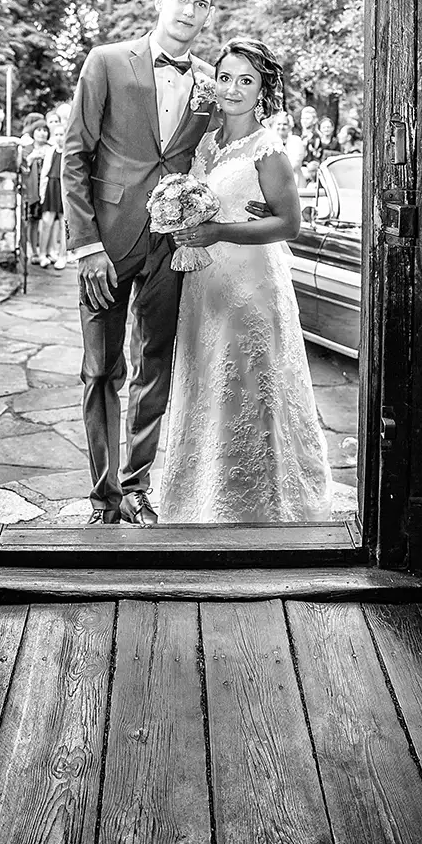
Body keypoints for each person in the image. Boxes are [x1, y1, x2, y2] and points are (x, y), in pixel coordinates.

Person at [63, 0, 217, 525]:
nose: (189, 11)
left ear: (208, 14)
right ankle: (102, 496)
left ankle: (135, 486)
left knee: (154, 364)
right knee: (100, 370)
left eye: (201, 4)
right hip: (106, 243)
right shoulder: (106, 61)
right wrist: (86, 247)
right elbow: (74, 156)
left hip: (172, 245)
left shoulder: (210, 81)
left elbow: (209, 153)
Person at [159, 38, 332, 524]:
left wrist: (219, 231)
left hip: (250, 284)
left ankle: (259, 502)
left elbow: (289, 224)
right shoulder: (205, 142)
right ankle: (203, 494)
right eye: (226, 77)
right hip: (205, 282)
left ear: (262, 91)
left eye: (246, 80)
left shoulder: (267, 148)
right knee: (208, 380)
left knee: (248, 383)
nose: (233, 88)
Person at [37, 116, 67, 269]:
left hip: (64, 188)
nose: (59, 137)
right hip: (51, 187)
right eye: (57, 135)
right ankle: (42, 254)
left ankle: (62, 256)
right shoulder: (51, 151)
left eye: (62, 134)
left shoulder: (69, 152)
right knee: (47, 221)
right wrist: (42, 194)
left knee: (64, 223)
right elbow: (44, 173)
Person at [21, 118, 50, 263]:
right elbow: (22, 169)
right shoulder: (27, 149)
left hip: (48, 191)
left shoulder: (51, 148)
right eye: (39, 130)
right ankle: (32, 251)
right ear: (33, 132)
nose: (42, 133)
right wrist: (32, 158)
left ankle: (47, 251)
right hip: (31, 191)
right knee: (32, 221)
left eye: (45, 130)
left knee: (48, 222)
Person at [267, 109, 305, 188]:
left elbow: (296, 163)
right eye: (279, 124)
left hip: (295, 181)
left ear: (289, 126)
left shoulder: (296, 141)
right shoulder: (269, 142)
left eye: (285, 124)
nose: (281, 127)